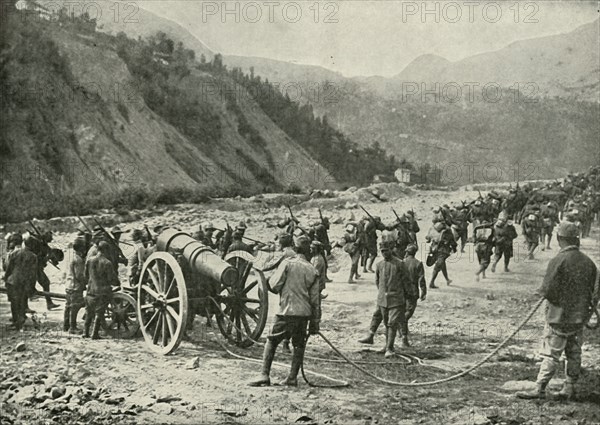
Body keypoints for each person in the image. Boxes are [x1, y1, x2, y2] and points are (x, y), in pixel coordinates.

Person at [516, 222, 598, 401]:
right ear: (576, 240)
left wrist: (544, 295)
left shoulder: (558, 260)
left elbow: (548, 289)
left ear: (559, 239)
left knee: (551, 353)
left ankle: (540, 388)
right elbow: (596, 292)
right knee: (574, 353)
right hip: (579, 318)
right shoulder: (589, 263)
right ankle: (570, 388)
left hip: (558, 317)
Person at [248, 236, 320, 387]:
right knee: (299, 344)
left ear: (295, 247)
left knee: (272, 340)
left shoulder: (287, 264)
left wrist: (266, 280)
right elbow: (315, 301)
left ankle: (264, 375)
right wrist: (315, 322)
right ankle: (292, 378)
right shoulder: (312, 270)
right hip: (304, 314)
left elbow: (275, 285)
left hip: (286, 311)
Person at [375, 242, 408, 358]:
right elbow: (378, 282)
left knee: (392, 323)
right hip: (383, 300)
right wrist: (382, 295)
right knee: (386, 323)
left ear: (391, 249)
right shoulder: (379, 265)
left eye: (386, 250)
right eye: (382, 251)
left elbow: (406, 282)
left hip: (396, 300)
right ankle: (388, 346)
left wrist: (405, 299)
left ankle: (389, 348)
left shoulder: (400, 264)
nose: (384, 253)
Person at [83, 241, 120, 339]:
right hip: (102, 291)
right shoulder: (107, 263)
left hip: (90, 290)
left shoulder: (89, 260)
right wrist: (117, 283)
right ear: (106, 250)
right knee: (99, 312)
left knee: (89, 311)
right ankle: (94, 334)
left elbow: (85, 276)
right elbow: (112, 279)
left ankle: (85, 332)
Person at [3, 237, 38, 330]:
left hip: (13, 281)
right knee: (22, 301)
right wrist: (32, 286)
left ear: (24, 243)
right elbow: (33, 273)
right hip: (24, 283)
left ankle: (16, 322)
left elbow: (9, 268)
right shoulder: (33, 256)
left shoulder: (15, 253)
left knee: (14, 302)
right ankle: (21, 321)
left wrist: (6, 278)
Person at [402, 244, 426, 347]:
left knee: (402, 310)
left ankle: (402, 330)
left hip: (401, 290)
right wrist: (423, 291)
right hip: (412, 291)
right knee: (409, 312)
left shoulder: (401, 263)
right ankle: (403, 335)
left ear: (407, 252)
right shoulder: (418, 263)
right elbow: (421, 279)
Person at [64, 238, 87, 334]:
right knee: (75, 307)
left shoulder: (70, 256)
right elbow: (79, 275)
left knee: (68, 306)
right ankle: (72, 327)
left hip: (69, 284)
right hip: (75, 286)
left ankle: (66, 325)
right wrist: (85, 283)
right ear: (81, 248)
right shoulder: (78, 260)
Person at [426, 221, 456, 289]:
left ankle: (447, 280)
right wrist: (454, 248)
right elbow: (452, 241)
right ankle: (431, 283)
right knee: (438, 266)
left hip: (433, 249)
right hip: (442, 250)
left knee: (441, 264)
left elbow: (428, 238)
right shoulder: (448, 231)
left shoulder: (433, 228)